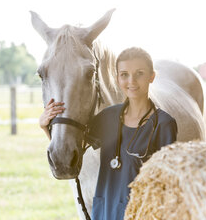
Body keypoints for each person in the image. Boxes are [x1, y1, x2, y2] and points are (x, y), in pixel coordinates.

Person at [39, 47, 177, 220]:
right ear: (118, 79)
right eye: (124, 74)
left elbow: (168, 181)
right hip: (105, 211)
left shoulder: (164, 124)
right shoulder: (108, 116)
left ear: (152, 77)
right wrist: (45, 126)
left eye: (139, 73)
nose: (131, 81)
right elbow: (75, 149)